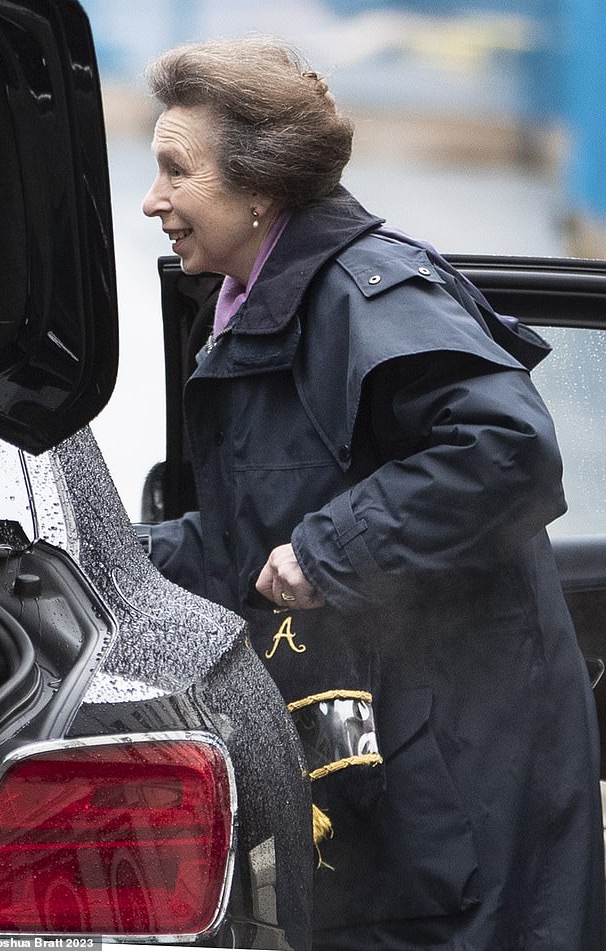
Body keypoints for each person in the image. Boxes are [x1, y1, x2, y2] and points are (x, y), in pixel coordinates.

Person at [141, 37, 605, 951]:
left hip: (462, 769)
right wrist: (95, 557)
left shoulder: (365, 294)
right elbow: (252, 538)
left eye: (173, 172)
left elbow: (507, 446)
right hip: (378, 751)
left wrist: (328, 552)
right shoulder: (256, 304)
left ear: (260, 186)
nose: (151, 199)